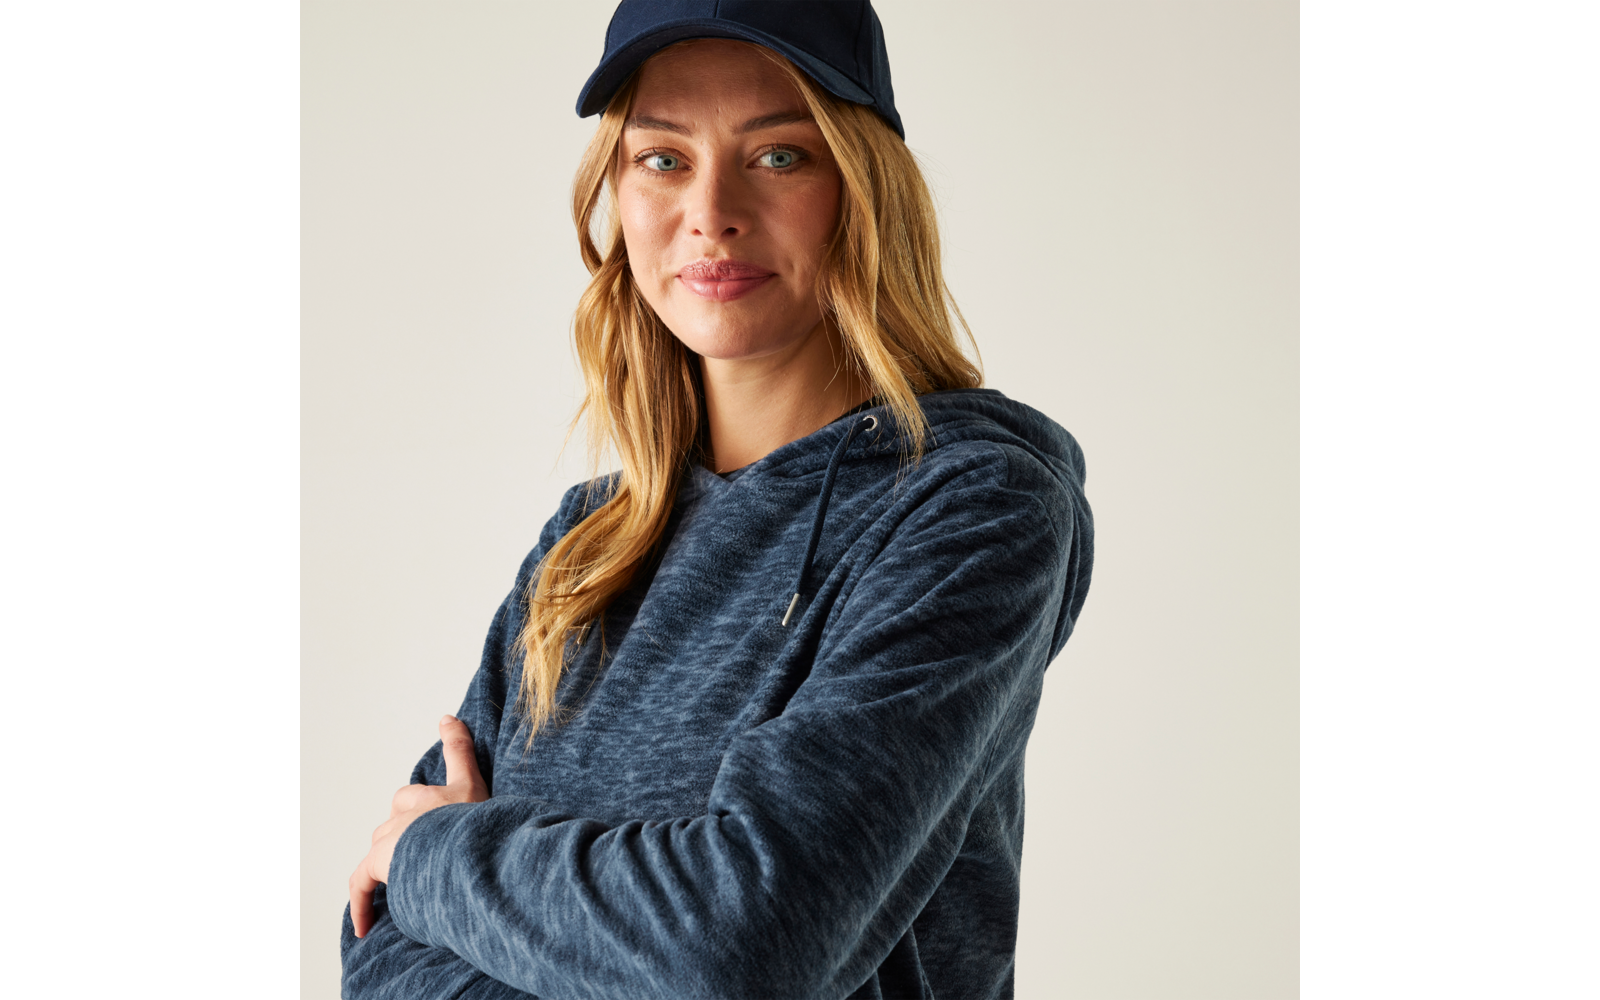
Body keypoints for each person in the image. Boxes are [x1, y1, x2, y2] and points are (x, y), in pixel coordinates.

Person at [341, 2, 1093, 997]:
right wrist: (471, 885)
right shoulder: (589, 540)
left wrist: (442, 855)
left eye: (778, 156)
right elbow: (379, 955)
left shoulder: (968, 505)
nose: (711, 211)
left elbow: (738, 948)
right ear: (615, 191)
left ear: (863, 190)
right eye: (661, 158)